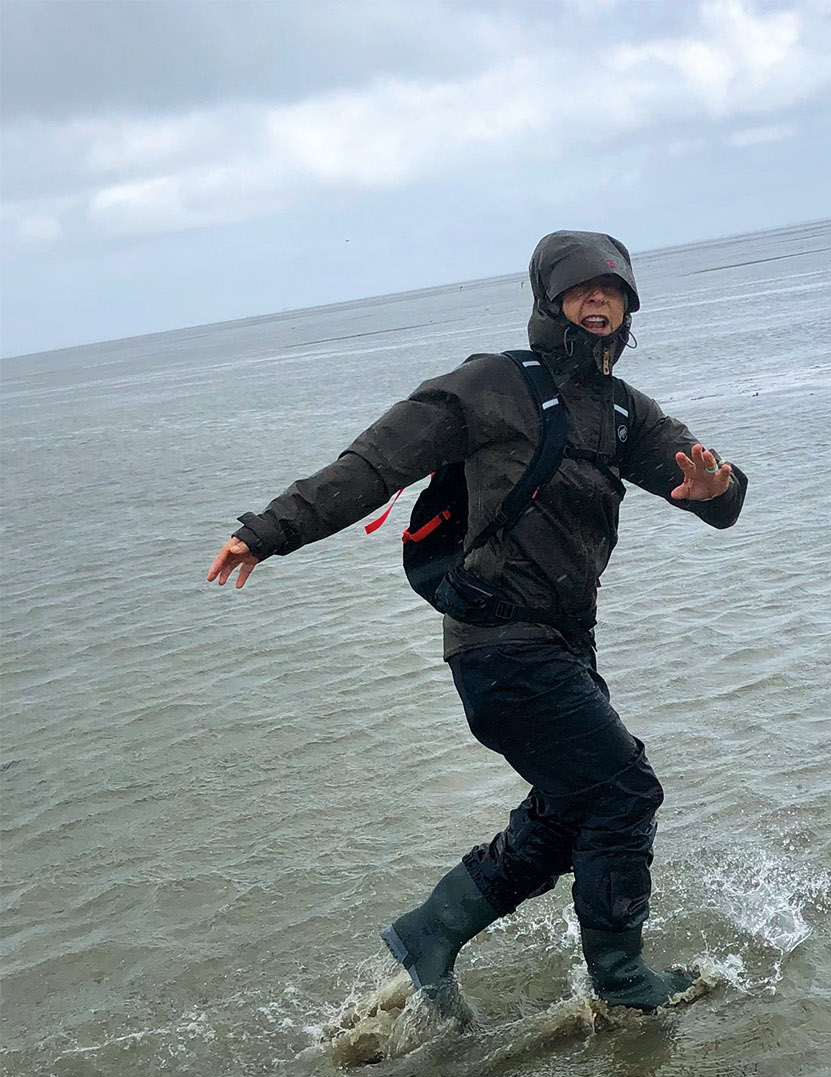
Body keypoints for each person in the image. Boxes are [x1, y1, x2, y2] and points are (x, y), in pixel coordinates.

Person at [208, 230, 747, 1016]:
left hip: (564, 643)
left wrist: (717, 489)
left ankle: (431, 931)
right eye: (579, 288)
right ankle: (623, 981)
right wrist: (267, 529)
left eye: (614, 289)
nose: (598, 300)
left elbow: (714, 486)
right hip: (499, 644)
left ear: (630, 306)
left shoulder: (622, 411)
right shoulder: (492, 386)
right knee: (625, 790)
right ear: (548, 298)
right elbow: (373, 464)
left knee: (571, 812)